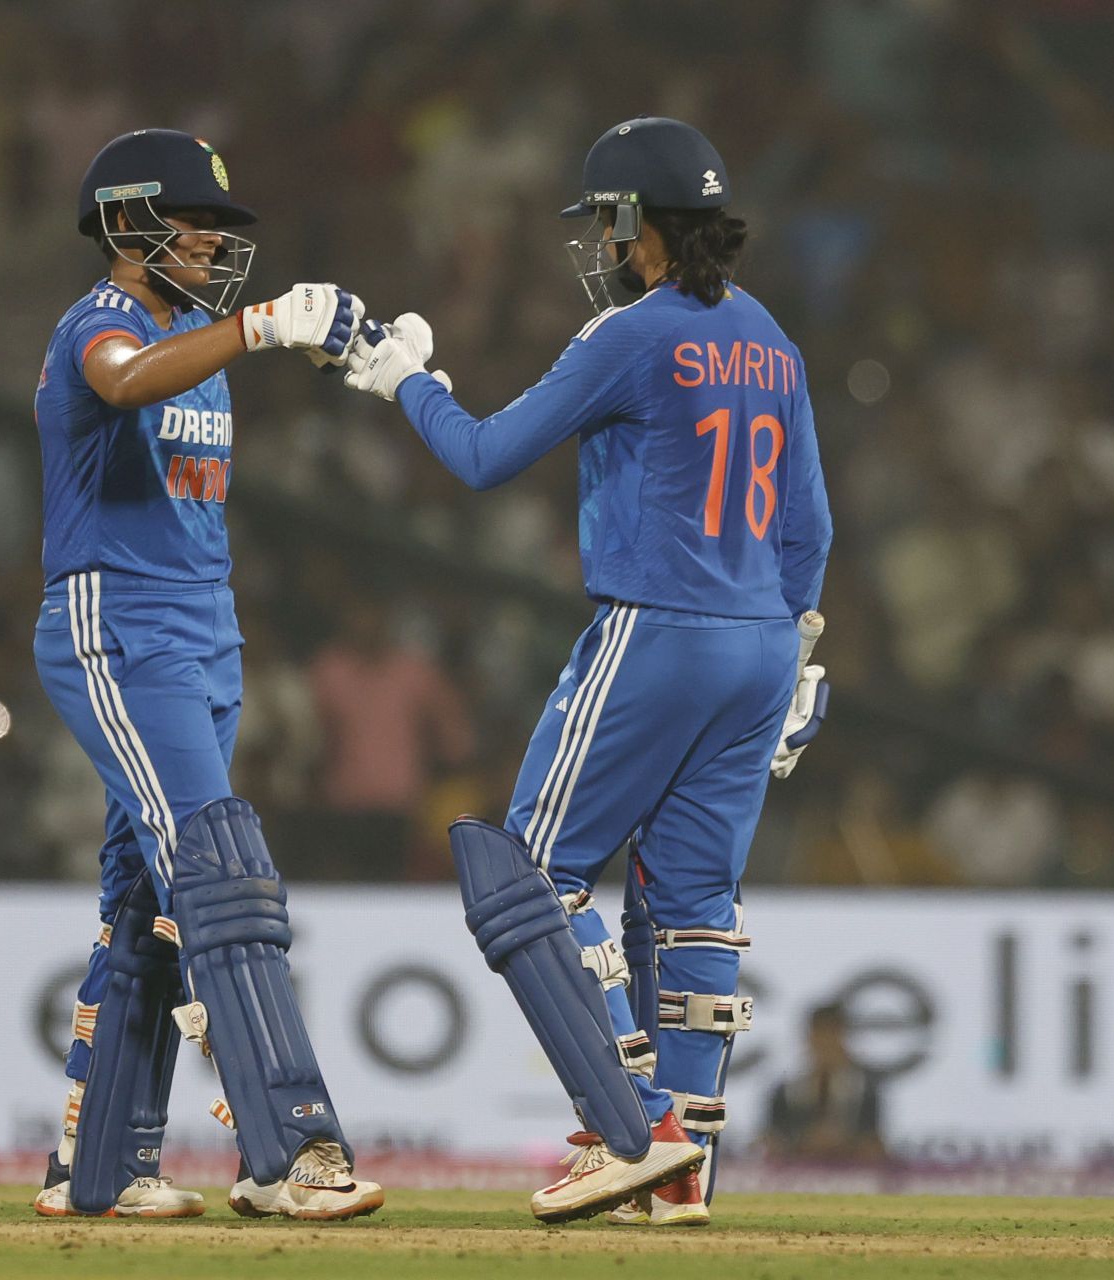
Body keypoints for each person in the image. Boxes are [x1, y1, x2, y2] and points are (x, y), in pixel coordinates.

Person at [343, 116, 832, 1225]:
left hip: (659, 626)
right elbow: (810, 528)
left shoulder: (633, 333)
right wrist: (798, 652)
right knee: (698, 902)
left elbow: (481, 455)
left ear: (635, 223)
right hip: (761, 640)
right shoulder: (775, 342)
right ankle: (688, 1165)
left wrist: (400, 378)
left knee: (532, 875)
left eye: (604, 222)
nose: (597, 245)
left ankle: (633, 1124)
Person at [29, 128, 381, 1220]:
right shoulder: (106, 319)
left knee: (147, 897)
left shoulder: (192, 329)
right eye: (200, 222)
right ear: (130, 220)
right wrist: (264, 327)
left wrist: (347, 351)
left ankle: (97, 1169)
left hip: (200, 629)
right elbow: (124, 384)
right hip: (120, 624)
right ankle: (292, 1151)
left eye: (228, 228)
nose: (220, 242)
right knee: (216, 869)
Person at [764, 1003, 885, 1161]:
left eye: (832, 1035)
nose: (826, 1043)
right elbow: (772, 1142)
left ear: (844, 1038)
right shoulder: (785, 1093)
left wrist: (843, 1144)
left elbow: (873, 1143)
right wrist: (801, 1143)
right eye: (821, 1035)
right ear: (809, 1038)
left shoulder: (865, 1092)